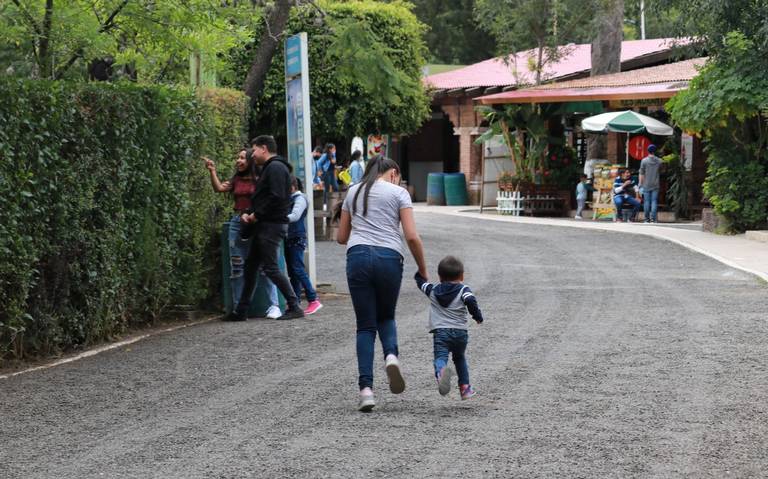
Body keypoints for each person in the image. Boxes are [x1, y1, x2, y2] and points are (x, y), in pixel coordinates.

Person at [337, 156, 428, 412]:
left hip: (357, 257)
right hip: (389, 257)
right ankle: (391, 356)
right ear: (394, 173)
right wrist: (422, 269)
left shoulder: (353, 192)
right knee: (386, 316)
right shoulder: (399, 193)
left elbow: (341, 237)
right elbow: (412, 237)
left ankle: (366, 391)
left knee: (365, 326)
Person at [226, 135, 305, 322]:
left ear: (264, 148)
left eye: (254, 150)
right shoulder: (273, 168)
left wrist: (256, 214)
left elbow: (275, 197)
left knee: (270, 267)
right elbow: (265, 197)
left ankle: (294, 305)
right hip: (267, 224)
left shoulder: (275, 168)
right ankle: (241, 310)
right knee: (251, 267)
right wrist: (251, 212)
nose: (252, 155)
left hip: (270, 225)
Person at [203, 149, 282, 319]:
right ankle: (239, 308)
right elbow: (219, 188)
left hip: (257, 222)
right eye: (237, 157)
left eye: (242, 158)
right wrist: (212, 171)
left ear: (250, 161)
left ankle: (274, 305)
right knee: (237, 266)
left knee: (265, 266)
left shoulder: (261, 179)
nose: (238, 161)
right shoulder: (236, 179)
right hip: (238, 222)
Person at [415, 256, 484, 400]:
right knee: (459, 358)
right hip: (460, 333)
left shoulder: (433, 290)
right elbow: (470, 299)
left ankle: (441, 373)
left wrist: (420, 273)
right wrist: (477, 316)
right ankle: (465, 388)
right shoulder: (464, 289)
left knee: (441, 357)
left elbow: (421, 283)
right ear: (462, 276)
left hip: (441, 333)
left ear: (440, 277)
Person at [286, 176, 323, 315]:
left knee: (298, 269)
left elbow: (295, 216)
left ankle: (313, 299)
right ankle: (295, 303)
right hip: (291, 237)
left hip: (297, 237)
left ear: (292, 187)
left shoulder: (300, 198)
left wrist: (278, 217)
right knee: (293, 271)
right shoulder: (291, 198)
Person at [640, 144, 663, 223]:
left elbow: (642, 173)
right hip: (655, 183)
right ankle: (654, 219)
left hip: (646, 184)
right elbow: (661, 170)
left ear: (648, 151)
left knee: (646, 201)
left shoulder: (644, 161)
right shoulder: (659, 161)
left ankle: (646, 219)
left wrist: (640, 184)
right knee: (654, 201)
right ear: (655, 151)